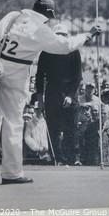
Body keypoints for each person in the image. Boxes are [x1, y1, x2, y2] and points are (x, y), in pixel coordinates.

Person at [0, 0, 101, 184]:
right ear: (48, 13)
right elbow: (65, 46)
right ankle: (12, 173)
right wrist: (87, 35)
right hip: (16, 74)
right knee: (13, 122)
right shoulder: (40, 28)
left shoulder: (13, 16)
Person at [35, 23, 82, 165]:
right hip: (52, 92)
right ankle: (56, 158)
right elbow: (39, 76)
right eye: (58, 35)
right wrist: (40, 99)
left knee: (71, 128)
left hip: (69, 92)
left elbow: (77, 76)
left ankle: (72, 158)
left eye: (63, 35)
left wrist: (70, 95)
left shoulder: (74, 51)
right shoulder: (46, 52)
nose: (61, 38)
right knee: (53, 127)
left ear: (67, 37)